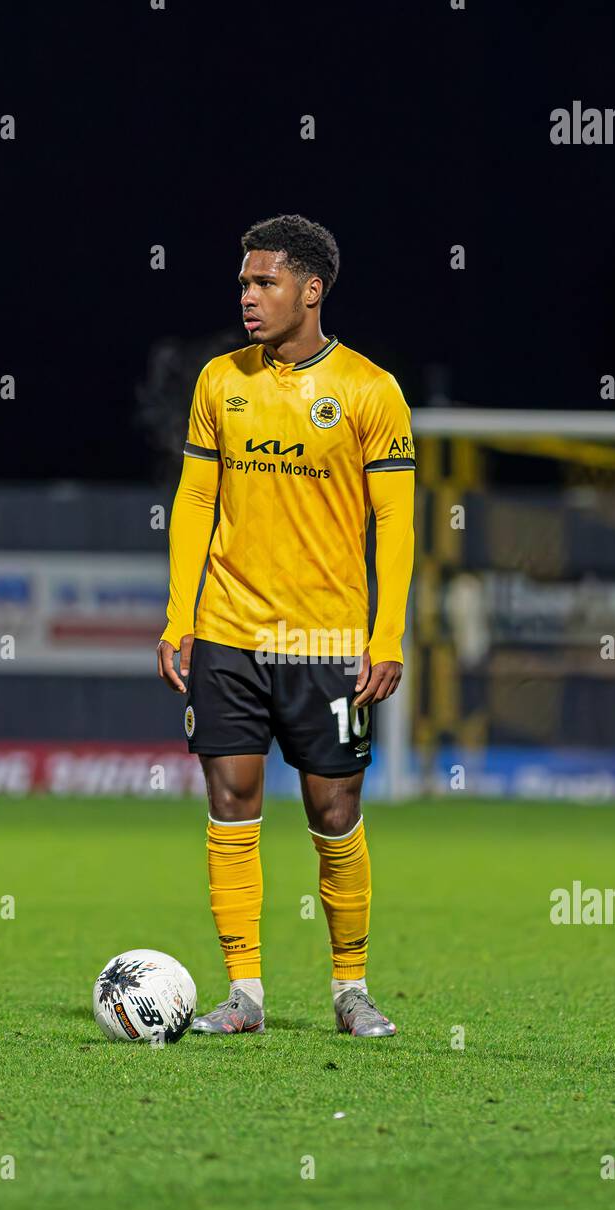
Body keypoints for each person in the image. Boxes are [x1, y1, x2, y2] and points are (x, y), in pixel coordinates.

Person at [157, 214, 415, 1036]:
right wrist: (180, 617)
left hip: (327, 641)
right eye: (243, 282)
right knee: (230, 797)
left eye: (264, 281)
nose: (247, 296)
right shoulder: (219, 381)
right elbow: (197, 498)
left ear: (312, 289)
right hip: (228, 629)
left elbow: (396, 524)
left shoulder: (372, 391)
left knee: (333, 811)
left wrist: (385, 635)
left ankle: (350, 989)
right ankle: (246, 994)